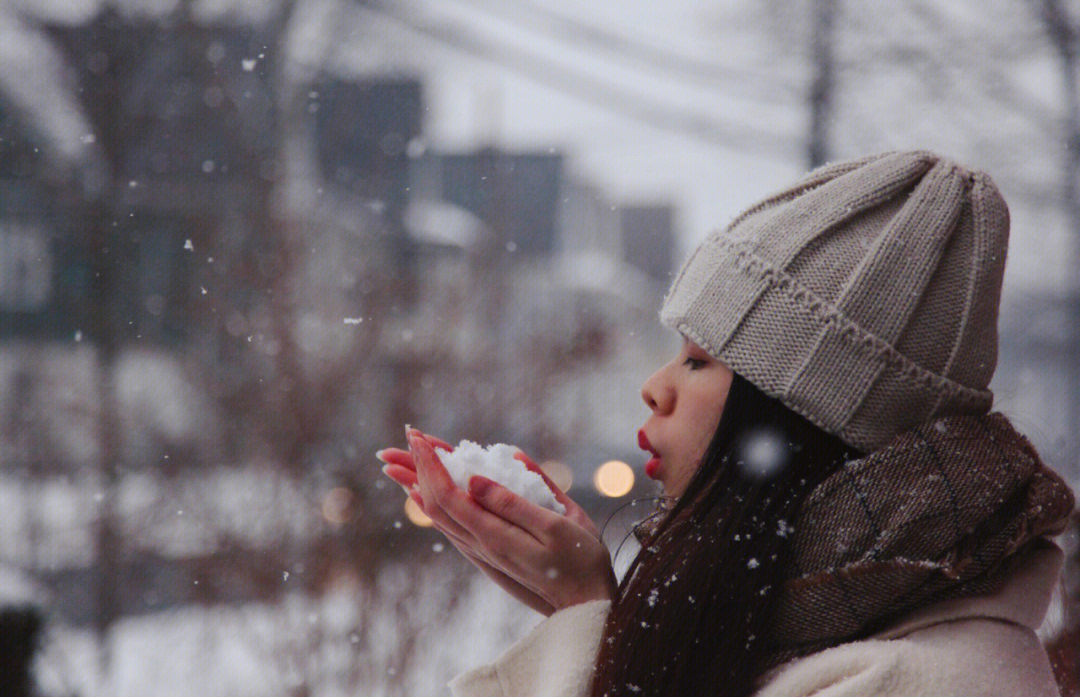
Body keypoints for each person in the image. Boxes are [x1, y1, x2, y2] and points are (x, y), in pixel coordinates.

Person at [377, 150, 1076, 696]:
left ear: (802, 414)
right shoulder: (802, 621)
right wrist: (596, 613)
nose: (654, 388)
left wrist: (583, 619)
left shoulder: (924, 684)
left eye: (700, 361)